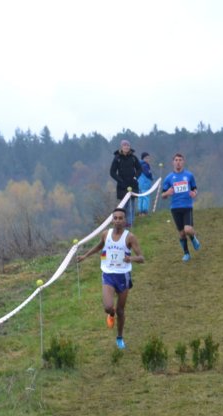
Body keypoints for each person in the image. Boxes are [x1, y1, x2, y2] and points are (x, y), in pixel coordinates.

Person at [76, 207, 145, 350]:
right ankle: (111, 314)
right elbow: (99, 246)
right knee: (108, 307)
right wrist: (85, 256)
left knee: (121, 310)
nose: (118, 221)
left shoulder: (130, 237)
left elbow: (141, 258)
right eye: (115, 218)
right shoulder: (105, 234)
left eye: (121, 218)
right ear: (112, 220)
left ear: (125, 220)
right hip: (108, 274)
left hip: (123, 276)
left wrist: (130, 258)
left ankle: (119, 337)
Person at [160, 153, 201, 262]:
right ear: (173, 162)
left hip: (187, 206)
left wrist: (194, 193)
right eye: (176, 160)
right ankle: (186, 254)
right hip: (175, 208)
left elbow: (195, 188)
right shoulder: (169, 178)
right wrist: (167, 193)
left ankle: (193, 238)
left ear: (183, 162)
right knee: (182, 233)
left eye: (180, 160)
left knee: (188, 229)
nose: (178, 162)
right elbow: (163, 195)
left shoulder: (189, 175)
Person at [109, 140, 142, 227]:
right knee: (123, 205)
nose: (126, 147)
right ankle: (121, 223)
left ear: (129, 147)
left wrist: (135, 178)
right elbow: (112, 172)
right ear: (121, 147)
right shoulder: (117, 158)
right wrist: (120, 180)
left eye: (128, 145)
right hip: (122, 186)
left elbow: (139, 169)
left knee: (131, 204)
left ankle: (130, 224)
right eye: (124, 145)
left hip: (133, 184)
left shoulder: (133, 158)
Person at [137, 152, 154, 216]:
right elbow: (148, 173)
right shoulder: (144, 165)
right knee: (146, 197)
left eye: (148, 158)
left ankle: (140, 212)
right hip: (145, 184)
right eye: (146, 158)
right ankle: (144, 211)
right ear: (143, 158)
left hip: (139, 184)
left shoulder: (139, 165)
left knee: (140, 197)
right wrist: (151, 177)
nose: (148, 159)